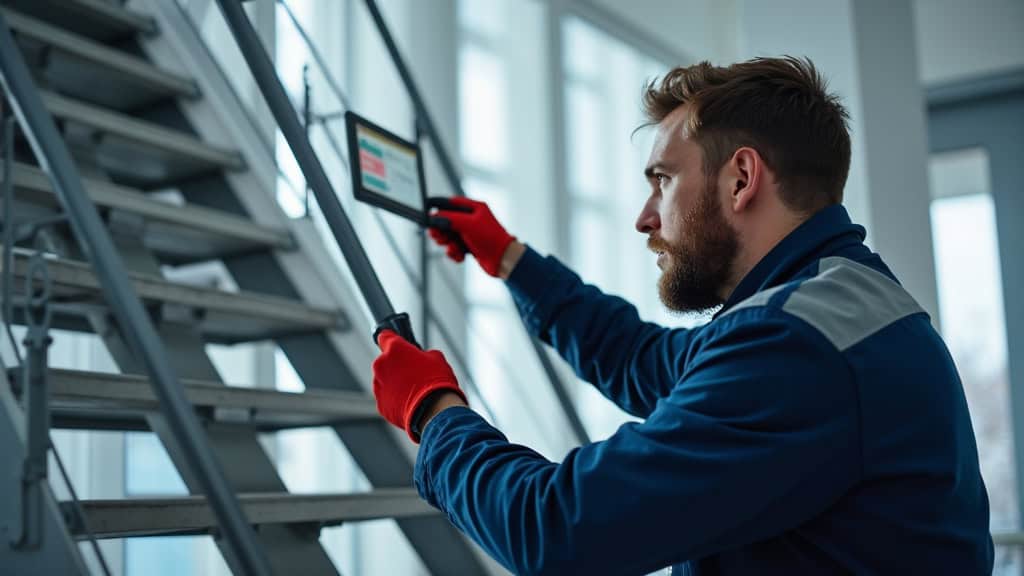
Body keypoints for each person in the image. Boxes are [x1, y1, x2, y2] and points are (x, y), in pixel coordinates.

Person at [370, 56, 994, 575]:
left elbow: (557, 528)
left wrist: (434, 412)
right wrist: (510, 259)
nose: (646, 218)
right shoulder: (836, 303)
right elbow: (643, 360)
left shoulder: (793, 347)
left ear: (741, 178)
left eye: (662, 180)